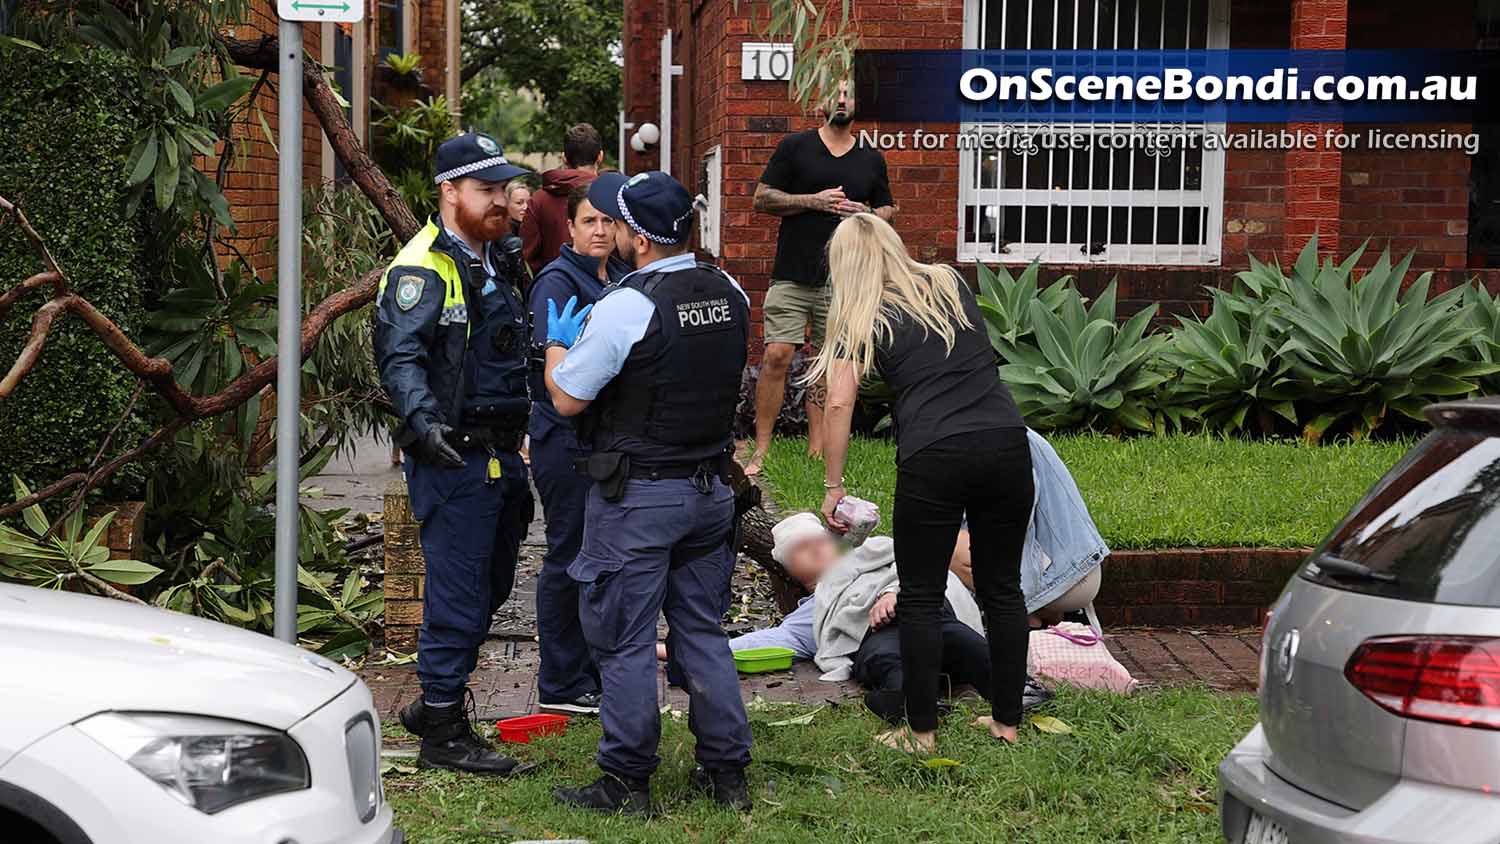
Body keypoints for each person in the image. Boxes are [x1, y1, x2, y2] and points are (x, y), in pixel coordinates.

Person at [541, 170, 754, 814]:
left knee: (624, 638)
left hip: (639, 500)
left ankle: (626, 781)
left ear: (636, 236)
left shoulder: (627, 306)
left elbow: (568, 397)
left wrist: (556, 343)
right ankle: (727, 775)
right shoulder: (731, 290)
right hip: (711, 492)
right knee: (702, 630)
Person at [810, 212, 1031, 753]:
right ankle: (1006, 722)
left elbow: (839, 400)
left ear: (844, 266)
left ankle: (922, 734)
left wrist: (833, 486)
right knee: (1003, 588)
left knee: (923, 596)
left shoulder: (863, 315)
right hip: (1006, 441)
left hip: (934, 454)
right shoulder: (948, 282)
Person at [374, 133, 536, 775]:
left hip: (498, 453)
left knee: (492, 581)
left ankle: (430, 703)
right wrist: (422, 421)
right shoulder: (423, 268)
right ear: (449, 191)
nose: (500, 200)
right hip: (454, 454)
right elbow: (402, 357)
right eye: (485, 190)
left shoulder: (495, 256)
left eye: (503, 188)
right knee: (459, 592)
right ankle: (442, 729)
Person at [744, 77, 895, 476]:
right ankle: (760, 448)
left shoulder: (871, 158)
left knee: (828, 364)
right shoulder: (795, 147)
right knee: (777, 355)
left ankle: (817, 449)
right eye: (836, 94)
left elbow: (886, 211)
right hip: (793, 273)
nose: (842, 100)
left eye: (849, 94)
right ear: (821, 103)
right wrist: (813, 201)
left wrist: (863, 212)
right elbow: (762, 198)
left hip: (843, 280)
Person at [525, 184, 632, 715]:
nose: (598, 230)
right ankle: (561, 681)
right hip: (562, 440)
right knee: (567, 555)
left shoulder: (618, 280)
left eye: (607, 222)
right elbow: (557, 376)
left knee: (597, 557)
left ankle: (590, 669)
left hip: (603, 441)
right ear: (569, 228)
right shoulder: (558, 282)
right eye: (588, 221)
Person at [522, 123, 605, 275]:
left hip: (553, 290)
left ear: (564, 158)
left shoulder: (538, 200)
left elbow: (527, 258)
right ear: (600, 156)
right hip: (607, 290)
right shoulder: (611, 196)